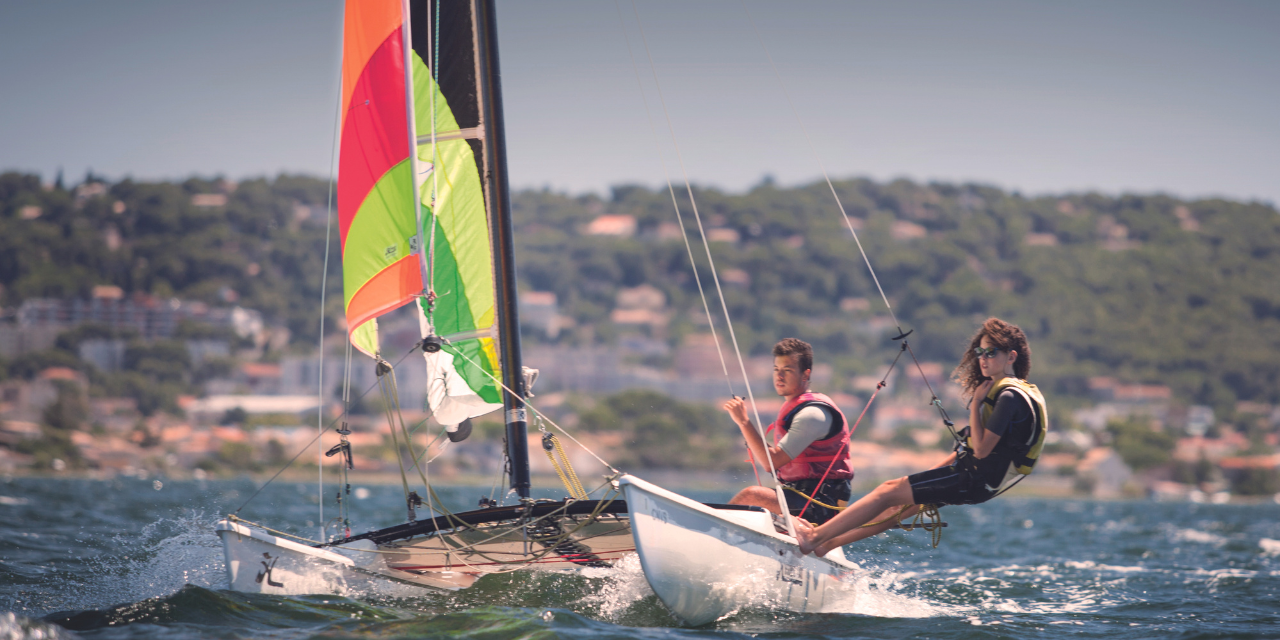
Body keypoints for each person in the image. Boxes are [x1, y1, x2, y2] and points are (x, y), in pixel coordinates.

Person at [796, 317, 1048, 556]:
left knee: (887, 491)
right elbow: (969, 450)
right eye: (979, 352)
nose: (983, 359)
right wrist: (927, 473)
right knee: (898, 507)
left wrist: (976, 404)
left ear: (1011, 356)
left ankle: (814, 537)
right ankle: (825, 546)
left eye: (991, 352)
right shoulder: (1015, 392)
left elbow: (981, 451)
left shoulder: (1008, 397)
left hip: (973, 479)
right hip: (974, 477)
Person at [723, 338, 854, 525]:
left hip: (820, 505)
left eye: (788, 370)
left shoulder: (812, 415)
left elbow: (772, 462)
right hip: (799, 498)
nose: (779, 376)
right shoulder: (796, 409)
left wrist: (744, 422)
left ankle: (708, 536)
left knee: (752, 495)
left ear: (805, 374)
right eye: (776, 370)